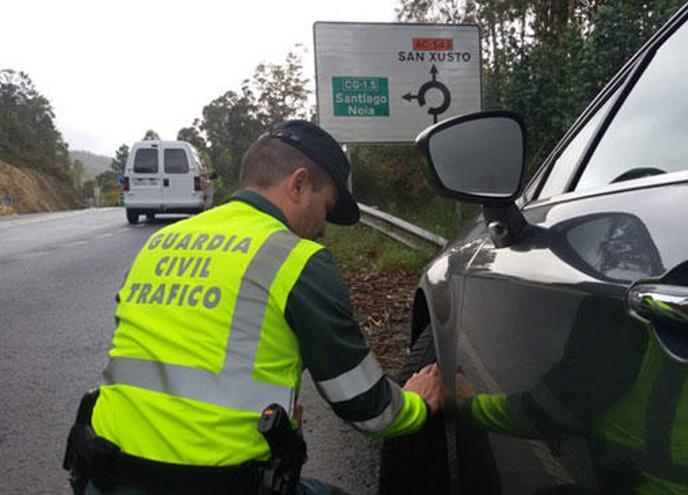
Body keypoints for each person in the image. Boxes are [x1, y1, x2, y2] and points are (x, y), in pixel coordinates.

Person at [62, 120, 443, 495]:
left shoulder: (161, 241)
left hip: (102, 476)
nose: (323, 229)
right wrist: (418, 405)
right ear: (298, 184)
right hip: (216, 485)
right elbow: (364, 404)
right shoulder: (296, 259)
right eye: (325, 209)